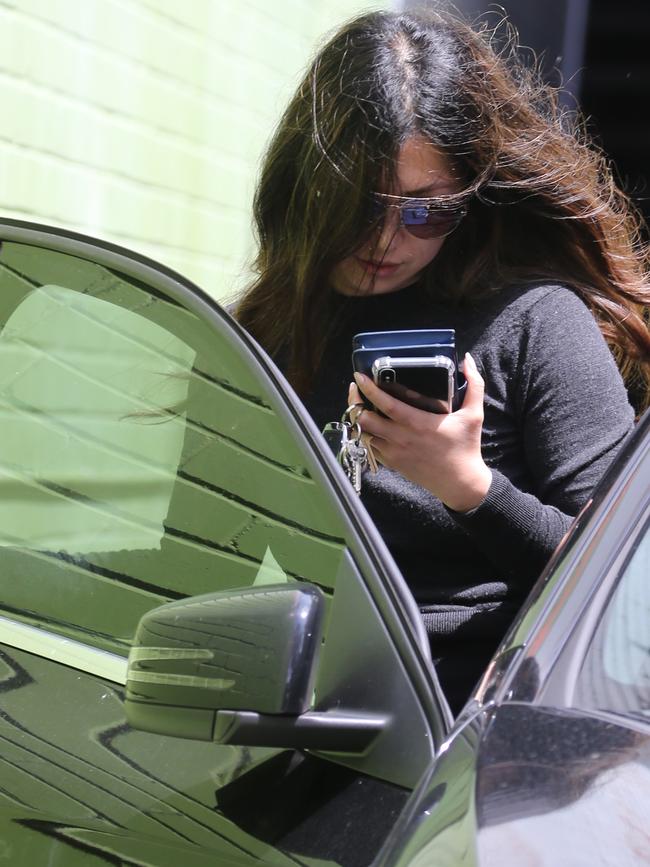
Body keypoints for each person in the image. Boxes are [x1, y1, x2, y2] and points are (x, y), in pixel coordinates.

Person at [234, 7, 650, 713]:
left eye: (427, 211)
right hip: (316, 715)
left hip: (493, 732)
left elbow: (621, 590)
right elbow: (201, 551)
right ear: (307, 188)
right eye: (362, 206)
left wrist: (469, 486)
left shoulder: (535, 321)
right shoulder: (266, 335)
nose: (389, 238)